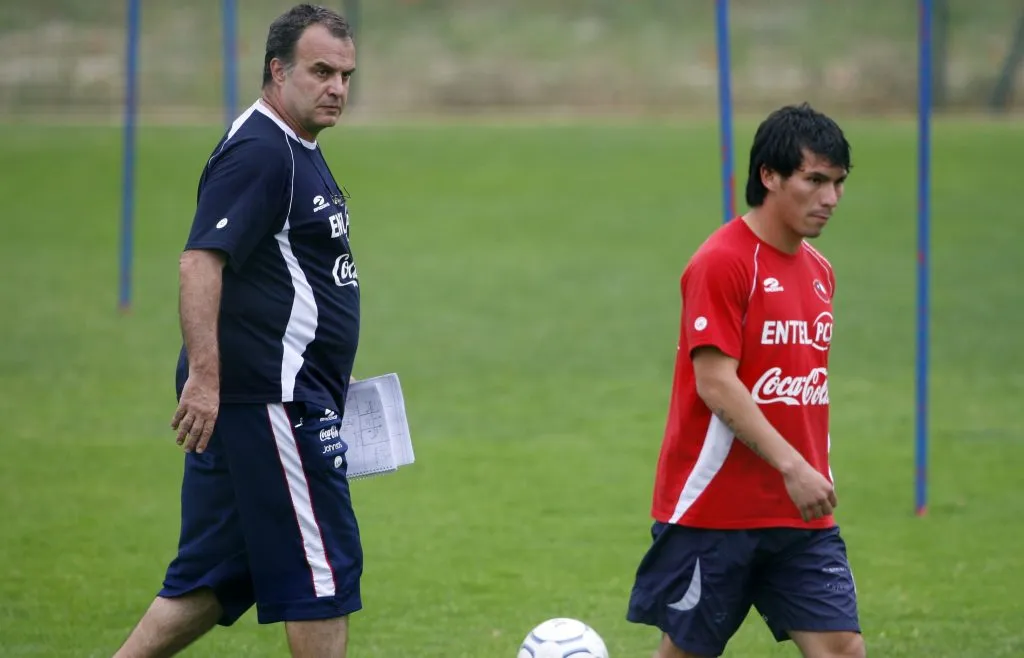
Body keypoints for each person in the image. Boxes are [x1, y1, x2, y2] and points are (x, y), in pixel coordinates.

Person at [114, 5, 363, 657]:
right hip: (270, 403)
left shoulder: (296, 148)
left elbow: (291, 280)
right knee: (322, 575)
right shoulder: (260, 150)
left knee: (216, 575)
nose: (337, 87)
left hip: (275, 391)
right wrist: (204, 376)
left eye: (345, 74)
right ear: (277, 70)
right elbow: (200, 260)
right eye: (320, 71)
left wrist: (327, 367)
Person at [626, 103, 865, 658]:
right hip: (715, 511)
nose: (830, 198)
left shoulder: (821, 271)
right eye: (815, 180)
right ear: (769, 176)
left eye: (838, 183)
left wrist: (805, 475)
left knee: (841, 648)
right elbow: (715, 383)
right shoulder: (723, 262)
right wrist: (793, 466)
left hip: (800, 513)